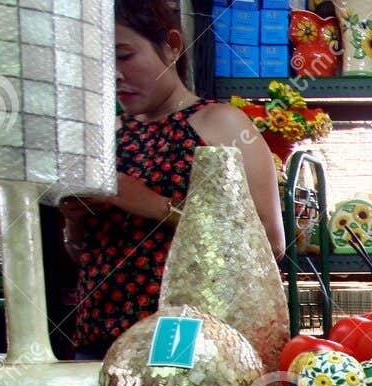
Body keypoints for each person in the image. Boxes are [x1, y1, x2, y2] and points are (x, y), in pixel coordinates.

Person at [64, 0, 285, 358]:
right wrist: (74, 224)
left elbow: (270, 244)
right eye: (99, 62)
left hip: (187, 344)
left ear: (172, 45)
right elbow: (83, 256)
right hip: (100, 336)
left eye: (123, 56)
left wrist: (156, 206)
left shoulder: (220, 123)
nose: (113, 75)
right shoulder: (106, 137)